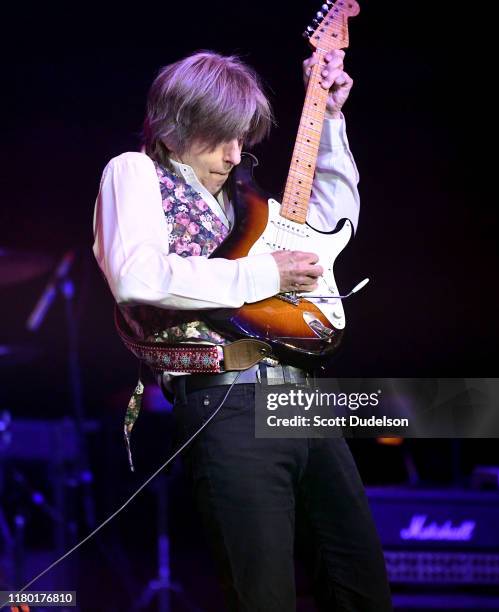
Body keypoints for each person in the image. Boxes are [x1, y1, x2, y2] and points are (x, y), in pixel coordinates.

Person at [93, 50, 392, 611]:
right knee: (264, 597)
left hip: (306, 399)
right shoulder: (133, 172)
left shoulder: (243, 194)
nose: (235, 155)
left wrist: (328, 120)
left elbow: (327, 231)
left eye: (241, 139)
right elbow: (137, 276)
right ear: (176, 125)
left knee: (362, 589)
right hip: (227, 401)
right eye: (220, 139)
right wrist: (263, 273)